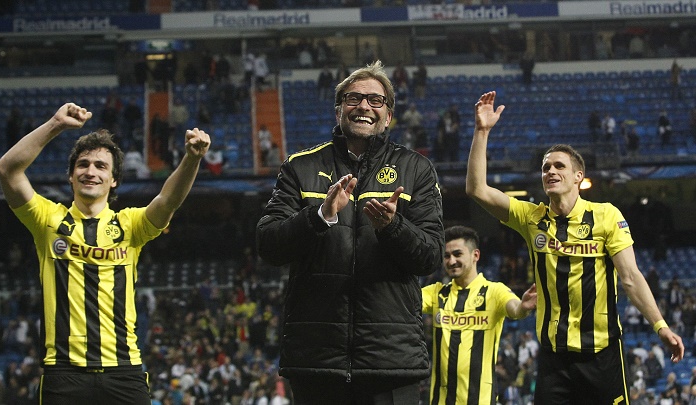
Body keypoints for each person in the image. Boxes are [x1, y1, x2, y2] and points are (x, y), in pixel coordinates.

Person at [465, 91, 684, 404]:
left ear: (579, 177)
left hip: (603, 356)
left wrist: (661, 327)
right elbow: (475, 189)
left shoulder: (606, 215)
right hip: (555, 360)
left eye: (558, 166)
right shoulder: (531, 217)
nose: (550, 171)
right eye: (545, 168)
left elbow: (631, 277)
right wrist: (482, 131)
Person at [0, 102, 211, 405]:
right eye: (82, 165)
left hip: (124, 372)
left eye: (101, 166)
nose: (90, 171)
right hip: (63, 373)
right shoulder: (48, 220)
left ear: (114, 180)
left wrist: (192, 159)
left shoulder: (130, 225)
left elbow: (168, 200)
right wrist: (55, 125)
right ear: (71, 176)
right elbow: (7, 170)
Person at [256, 60, 443, 405]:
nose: (364, 107)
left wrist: (393, 227)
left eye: (376, 100)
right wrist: (320, 215)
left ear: (388, 115)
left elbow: (430, 256)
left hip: (390, 361)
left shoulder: (416, 169)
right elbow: (269, 246)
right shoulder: (301, 167)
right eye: (354, 98)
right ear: (339, 109)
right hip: (317, 361)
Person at [422, 225, 537, 405]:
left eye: (458, 254)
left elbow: (515, 309)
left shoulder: (494, 292)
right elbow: (405, 302)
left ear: (475, 255)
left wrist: (523, 307)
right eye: (447, 256)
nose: (451, 261)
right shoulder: (436, 293)